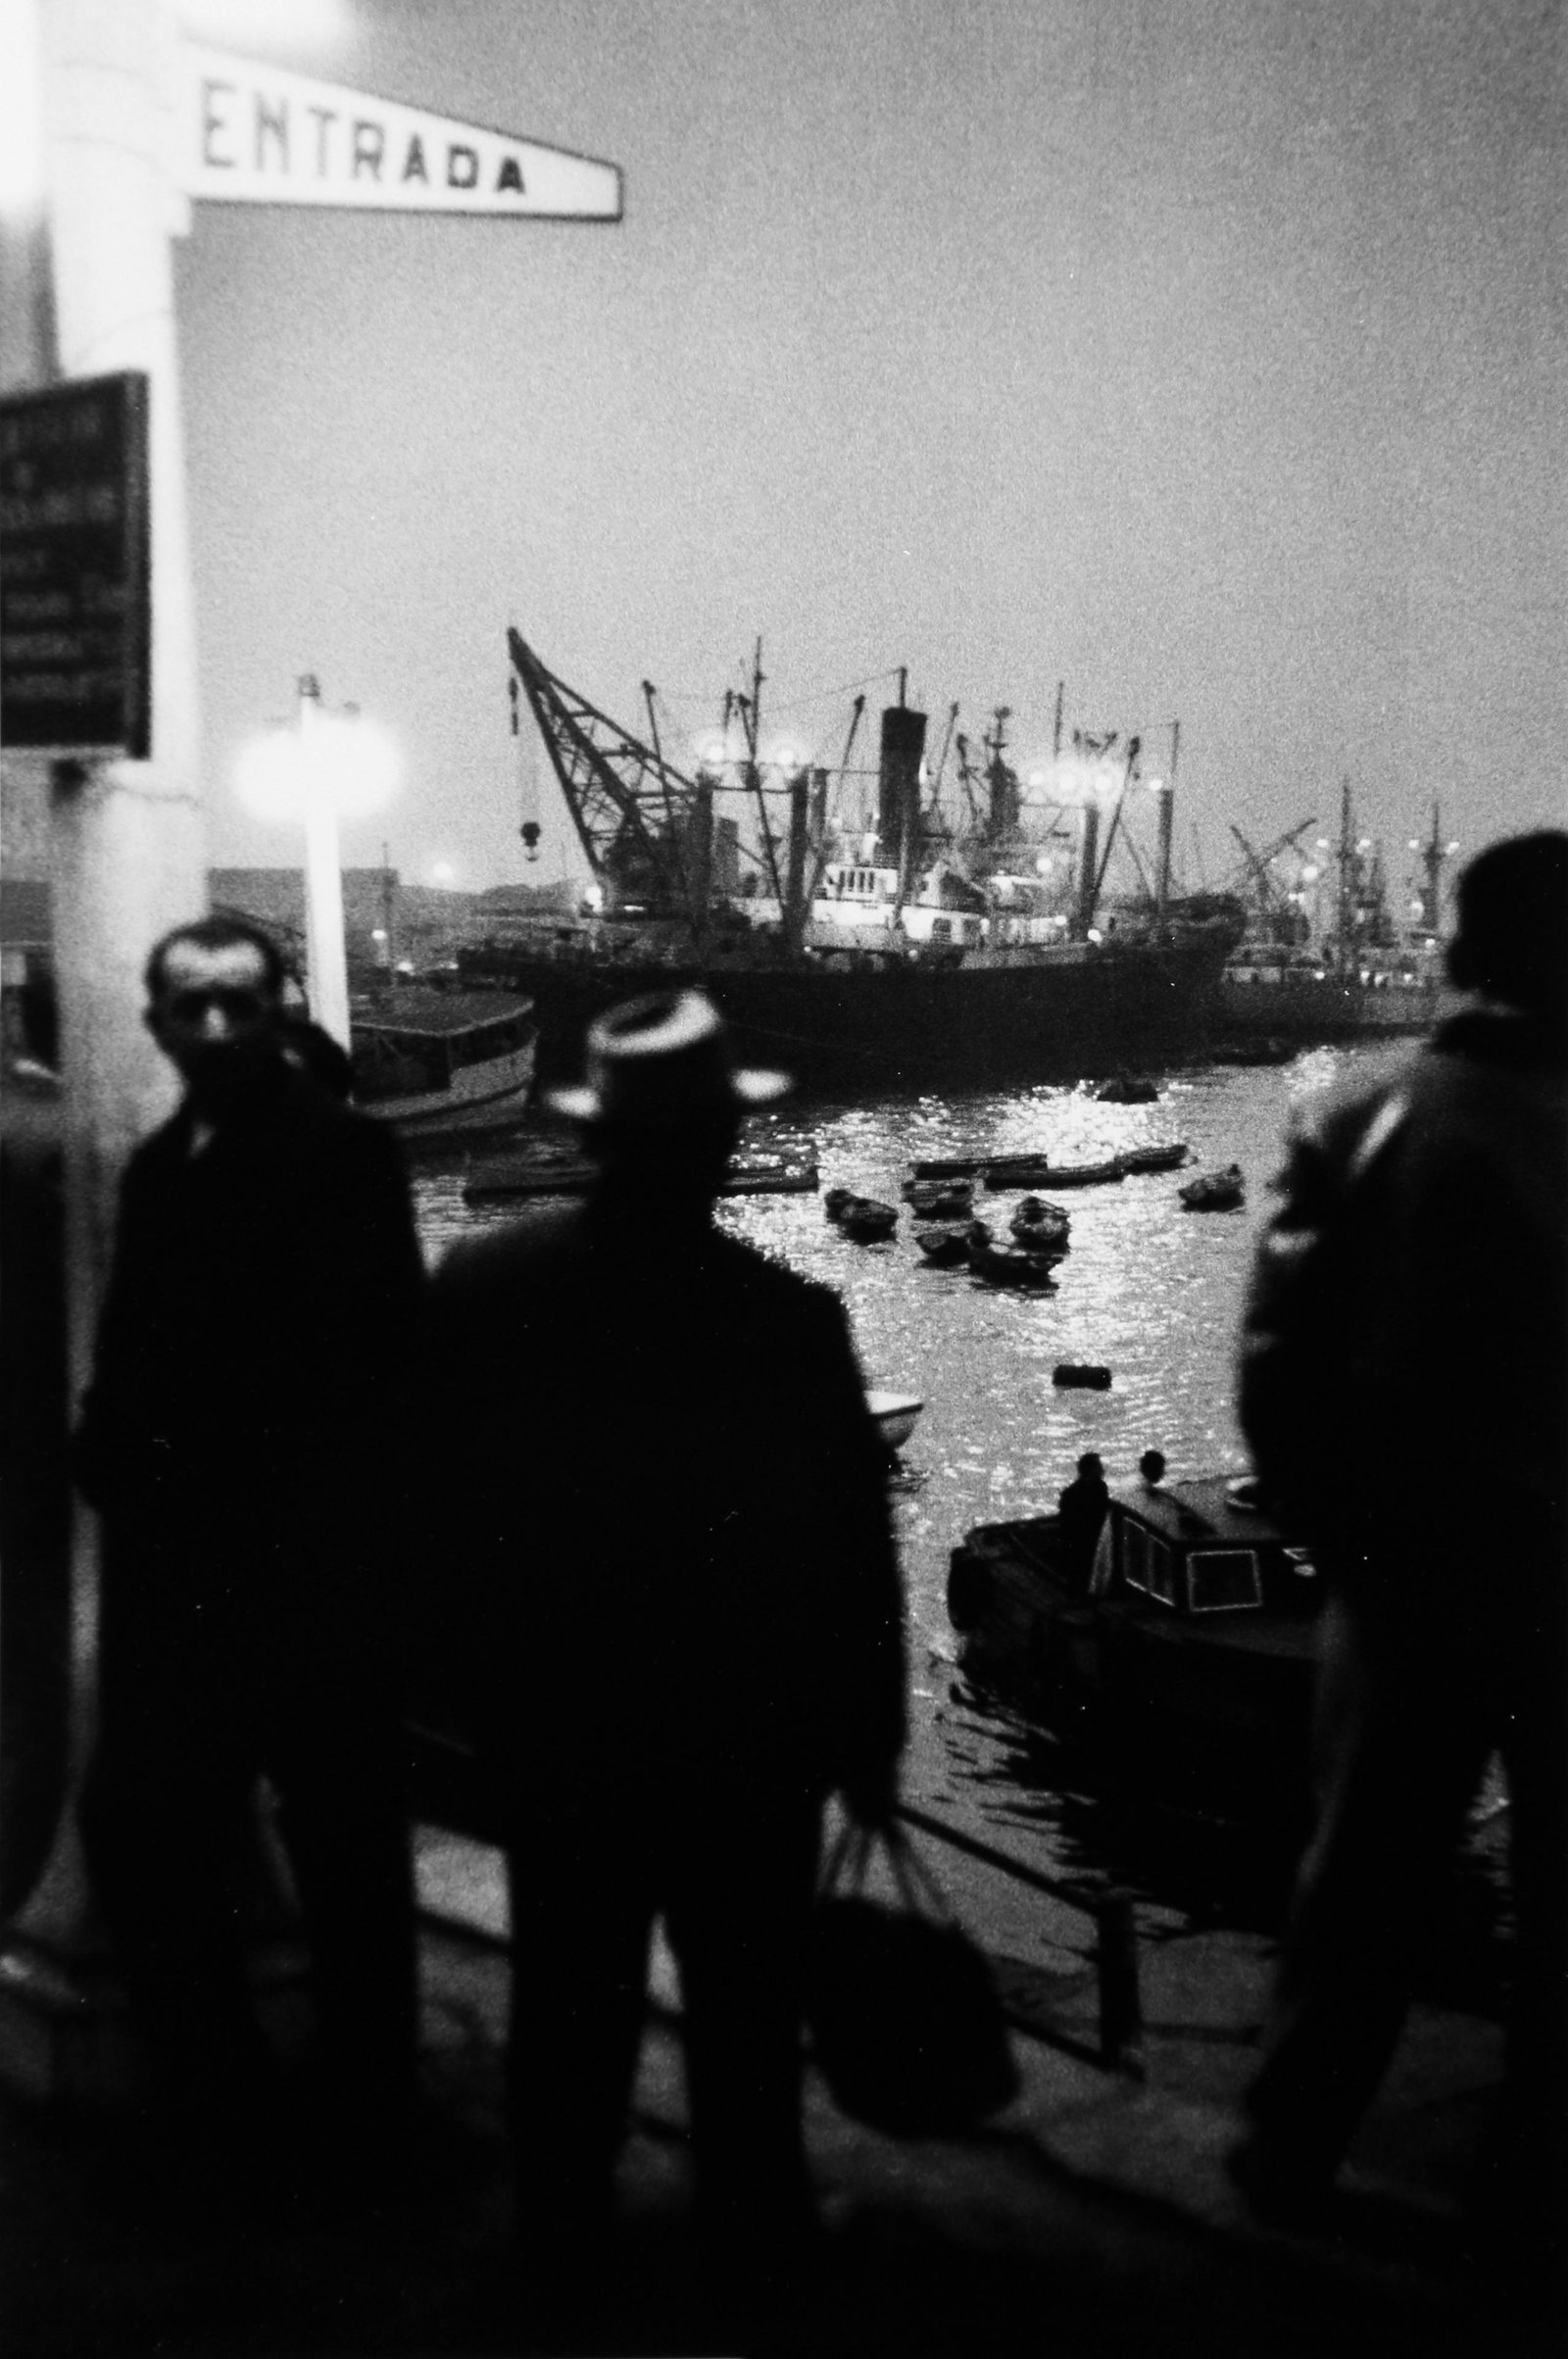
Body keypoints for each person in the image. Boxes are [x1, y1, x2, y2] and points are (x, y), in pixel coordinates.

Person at [420, 988, 907, 2319]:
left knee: (568, 1998)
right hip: (742, 1749)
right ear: (718, 1147)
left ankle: (560, 2240)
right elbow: (851, 1558)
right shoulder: (790, 1320)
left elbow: (428, 1510)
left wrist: (464, 1700)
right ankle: (760, 2244)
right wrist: (867, 1741)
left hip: (555, 1732)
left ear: (598, 1137)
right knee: (746, 2018)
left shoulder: (483, 1283)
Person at [1230, 831, 1568, 2297]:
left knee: (1362, 1872)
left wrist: (1345, 1545)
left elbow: (1276, 1369)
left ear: (1454, 951)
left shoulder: (1364, 1119)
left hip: (1411, 1567)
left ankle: (1287, 2146)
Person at [74, 914, 426, 2150]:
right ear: (156, 1023)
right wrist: (111, 1445)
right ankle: (248, 2084)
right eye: (191, 1005)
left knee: (327, 1840)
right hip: (198, 1569)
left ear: (278, 1012)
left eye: (239, 1002)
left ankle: (343, 2098)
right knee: (182, 1828)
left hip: (297, 1569)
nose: (214, 1026)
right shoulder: (168, 1160)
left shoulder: (341, 1154)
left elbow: (372, 1377)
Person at [1056, 1450, 1109, 1595]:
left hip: (1089, 1538)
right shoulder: (1073, 1494)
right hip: (1080, 1541)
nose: (1102, 1470)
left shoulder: (1100, 1487)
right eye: (1099, 1467)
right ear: (1092, 1470)